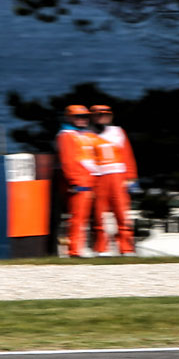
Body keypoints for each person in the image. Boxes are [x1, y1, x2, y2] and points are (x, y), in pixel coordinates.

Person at [55, 105, 102, 257]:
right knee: (78, 217)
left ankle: (87, 247)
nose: (82, 120)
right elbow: (68, 161)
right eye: (78, 117)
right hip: (80, 182)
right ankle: (75, 249)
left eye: (85, 117)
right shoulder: (66, 135)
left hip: (91, 180)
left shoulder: (86, 134)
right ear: (69, 118)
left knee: (89, 217)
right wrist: (74, 182)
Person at [89, 104, 137, 256]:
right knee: (99, 214)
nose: (102, 116)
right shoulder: (86, 135)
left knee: (122, 213)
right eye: (98, 114)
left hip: (118, 177)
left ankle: (126, 248)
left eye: (105, 114)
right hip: (98, 178)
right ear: (92, 116)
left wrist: (131, 178)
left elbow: (127, 155)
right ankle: (102, 248)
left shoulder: (118, 132)